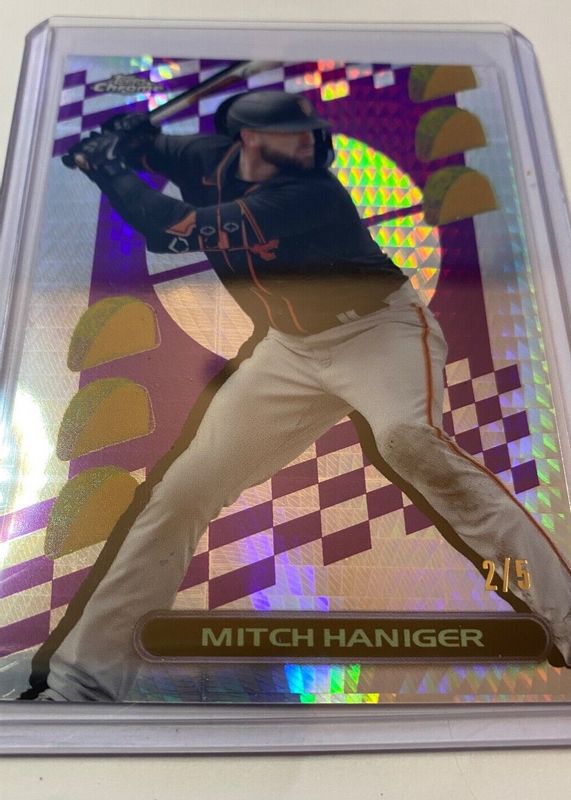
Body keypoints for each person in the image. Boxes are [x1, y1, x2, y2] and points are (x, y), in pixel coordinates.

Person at [23, 89, 571, 702]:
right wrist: (126, 138)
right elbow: (154, 148)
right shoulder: (207, 158)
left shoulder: (312, 193)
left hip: (379, 333)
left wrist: (107, 169)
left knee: (408, 440)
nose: (310, 140)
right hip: (290, 352)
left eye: (310, 130)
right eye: (294, 132)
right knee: (180, 493)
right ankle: (85, 683)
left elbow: (167, 229)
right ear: (250, 140)